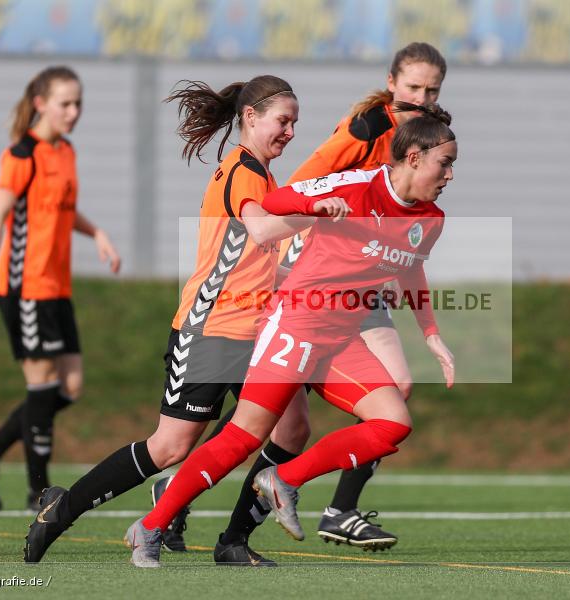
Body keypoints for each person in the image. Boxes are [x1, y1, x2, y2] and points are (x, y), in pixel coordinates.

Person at [125, 103, 457, 568]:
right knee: (244, 437)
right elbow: (276, 203)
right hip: (297, 324)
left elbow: (412, 268)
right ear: (415, 158)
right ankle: (150, 526)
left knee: (392, 424)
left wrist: (431, 334)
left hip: (342, 339)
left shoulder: (431, 219)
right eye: (445, 163)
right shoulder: (356, 185)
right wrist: (315, 206)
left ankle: (283, 480)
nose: (450, 175)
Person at [23, 74, 310, 564]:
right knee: (170, 446)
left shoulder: (263, 175)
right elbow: (261, 229)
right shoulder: (241, 169)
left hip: (256, 332)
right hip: (210, 330)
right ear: (251, 117)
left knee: (291, 429)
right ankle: (62, 507)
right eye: (283, 121)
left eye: (294, 123)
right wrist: (316, 214)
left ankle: (233, 542)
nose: (290, 132)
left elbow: (259, 255)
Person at [190, 41, 448, 559]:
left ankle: (330, 509)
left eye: (432, 89)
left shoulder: (425, 135)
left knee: (312, 413)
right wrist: (315, 225)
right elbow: (306, 180)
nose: (422, 97)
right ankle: (191, 497)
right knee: (270, 418)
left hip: (366, 272)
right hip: (320, 269)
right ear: (392, 83)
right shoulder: (366, 128)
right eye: (414, 87)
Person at [0, 66, 121, 511]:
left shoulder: (64, 151)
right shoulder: (21, 155)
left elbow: (63, 211)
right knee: (42, 386)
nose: (74, 111)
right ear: (40, 104)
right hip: (23, 286)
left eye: (78, 103)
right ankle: (38, 492)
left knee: (68, 386)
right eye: (65, 103)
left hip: (56, 287)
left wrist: (98, 233)